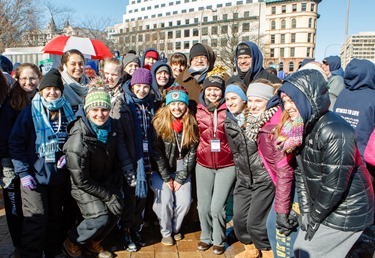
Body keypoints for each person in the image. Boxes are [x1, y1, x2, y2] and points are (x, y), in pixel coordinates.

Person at [276, 69, 374, 258]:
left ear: (308, 97)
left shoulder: (335, 131)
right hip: (325, 205)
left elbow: (334, 186)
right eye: (285, 101)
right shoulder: (299, 126)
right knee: (300, 250)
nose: (287, 107)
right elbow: (301, 173)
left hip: (348, 209)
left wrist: (313, 217)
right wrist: (305, 211)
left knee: (308, 253)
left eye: (292, 100)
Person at [9, 68, 76, 257]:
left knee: (55, 218)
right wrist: (23, 173)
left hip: (58, 176)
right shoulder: (30, 111)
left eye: (56, 89)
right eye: (48, 88)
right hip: (34, 176)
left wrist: (68, 154)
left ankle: (52, 252)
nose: (52, 92)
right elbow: (16, 143)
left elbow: (75, 138)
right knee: (36, 219)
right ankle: (32, 254)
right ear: (41, 90)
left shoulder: (68, 111)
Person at [62, 87, 122, 258]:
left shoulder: (111, 129)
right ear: (87, 110)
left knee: (118, 208)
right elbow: (81, 180)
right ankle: (72, 241)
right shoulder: (78, 141)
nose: (100, 114)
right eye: (95, 109)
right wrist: (108, 196)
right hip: (83, 185)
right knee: (100, 217)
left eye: (104, 109)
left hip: (102, 180)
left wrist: (114, 189)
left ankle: (93, 242)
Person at [0, 63, 42, 252]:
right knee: (14, 205)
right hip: (11, 161)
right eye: (24, 78)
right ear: (17, 79)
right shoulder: (11, 102)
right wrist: (6, 163)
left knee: (31, 205)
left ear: (38, 78)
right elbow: (4, 136)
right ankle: (19, 244)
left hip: (34, 161)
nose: (28, 82)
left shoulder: (43, 97)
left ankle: (31, 241)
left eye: (32, 78)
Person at [150, 85, 199, 246]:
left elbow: (192, 153)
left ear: (185, 105)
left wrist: (180, 178)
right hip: (161, 172)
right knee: (164, 202)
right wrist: (166, 178)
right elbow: (156, 153)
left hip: (181, 172)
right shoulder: (158, 123)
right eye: (173, 104)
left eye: (180, 104)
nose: (177, 108)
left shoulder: (191, 123)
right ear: (168, 105)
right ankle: (165, 232)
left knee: (185, 202)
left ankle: (175, 229)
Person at [195, 66, 236, 255]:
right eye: (209, 89)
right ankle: (206, 236)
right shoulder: (197, 109)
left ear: (223, 91)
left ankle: (219, 239)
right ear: (204, 90)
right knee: (203, 206)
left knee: (217, 206)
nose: (213, 93)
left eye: (217, 89)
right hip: (203, 163)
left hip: (227, 164)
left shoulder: (230, 109)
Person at [118, 67, 156, 250]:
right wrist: (127, 165)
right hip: (133, 162)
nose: (142, 90)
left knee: (142, 200)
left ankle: (136, 229)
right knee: (130, 200)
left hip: (147, 161)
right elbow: (121, 139)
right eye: (138, 86)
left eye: (146, 86)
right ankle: (125, 232)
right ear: (132, 86)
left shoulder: (150, 105)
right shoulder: (125, 105)